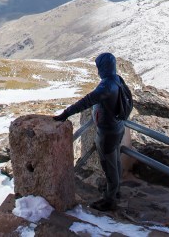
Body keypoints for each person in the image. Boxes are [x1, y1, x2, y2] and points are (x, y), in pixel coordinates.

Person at [53, 52, 127, 211]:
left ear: (103, 67)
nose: (97, 70)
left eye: (99, 66)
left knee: (109, 165)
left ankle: (109, 200)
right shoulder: (117, 79)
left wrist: (65, 114)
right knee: (115, 160)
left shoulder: (106, 86)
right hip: (118, 127)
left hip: (107, 132)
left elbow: (86, 101)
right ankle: (114, 190)